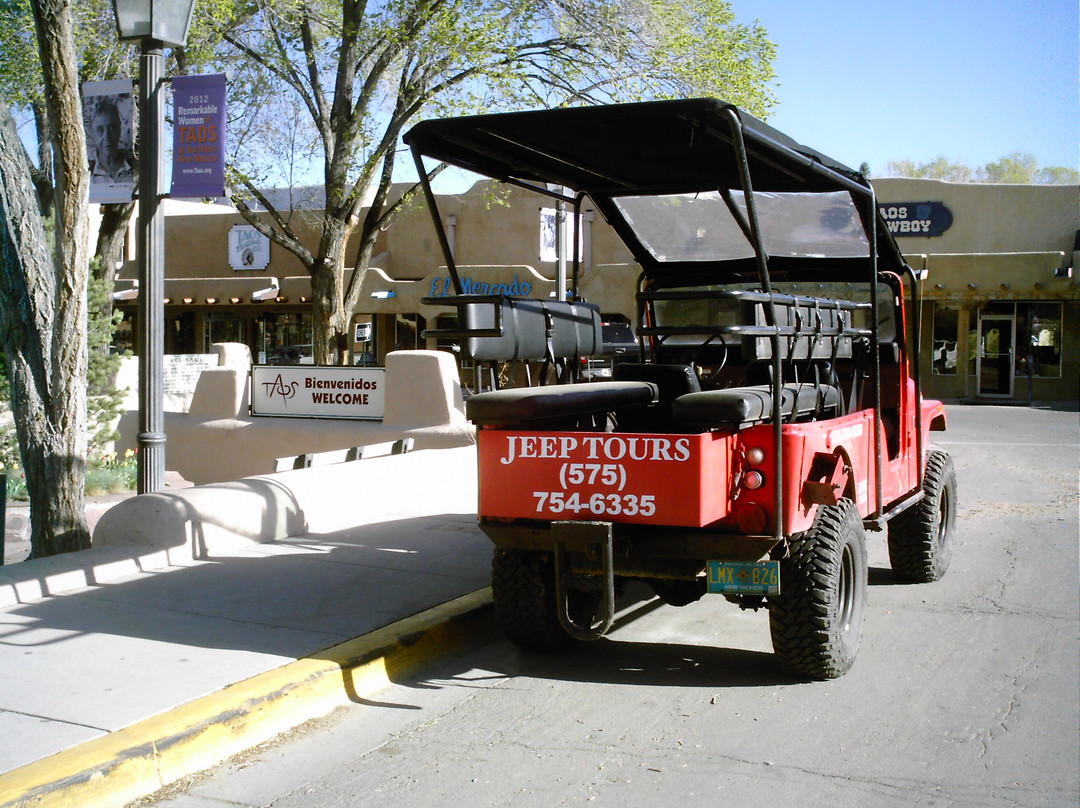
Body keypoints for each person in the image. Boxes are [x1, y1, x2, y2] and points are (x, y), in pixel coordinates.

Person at [87, 98, 134, 184]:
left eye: (112, 128)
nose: (107, 137)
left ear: (119, 130)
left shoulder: (132, 165)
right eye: (100, 130)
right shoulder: (86, 169)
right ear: (93, 134)